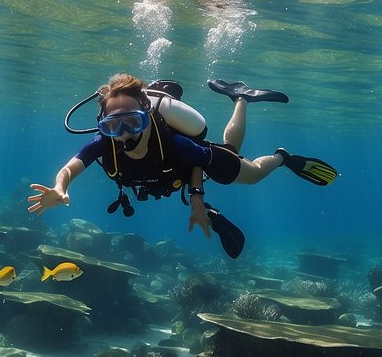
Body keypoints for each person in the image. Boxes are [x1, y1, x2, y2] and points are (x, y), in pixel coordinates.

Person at [27, 73, 336, 257]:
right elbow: (70, 168)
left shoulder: (174, 143)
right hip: (170, 175)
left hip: (189, 163)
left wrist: (198, 201)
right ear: (102, 126)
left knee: (248, 171)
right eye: (113, 126)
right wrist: (59, 187)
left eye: (133, 123)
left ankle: (278, 152)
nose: (123, 135)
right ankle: (239, 97)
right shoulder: (103, 144)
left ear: (147, 115)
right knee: (233, 152)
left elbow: (196, 160)